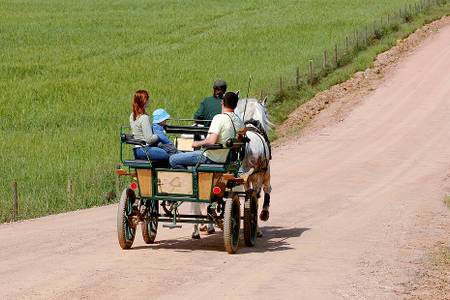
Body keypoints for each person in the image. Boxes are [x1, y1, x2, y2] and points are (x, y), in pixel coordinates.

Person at [169, 91, 244, 168]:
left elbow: (212, 141)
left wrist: (197, 143)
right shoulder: (238, 121)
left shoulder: (219, 118)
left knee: (173, 159)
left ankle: (191, 178)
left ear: (222, 102)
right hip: (223, 158)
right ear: (235, 105)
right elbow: (244, 131)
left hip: (208, 157)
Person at [129, 90, 169, 161]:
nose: (149, 101)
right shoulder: (144, 117)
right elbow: (149, 139)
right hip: (144, 150)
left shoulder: (132, 115)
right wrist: (161, 133)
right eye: (147, 99)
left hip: (137, 150)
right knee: (169, 153)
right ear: (144, 101)